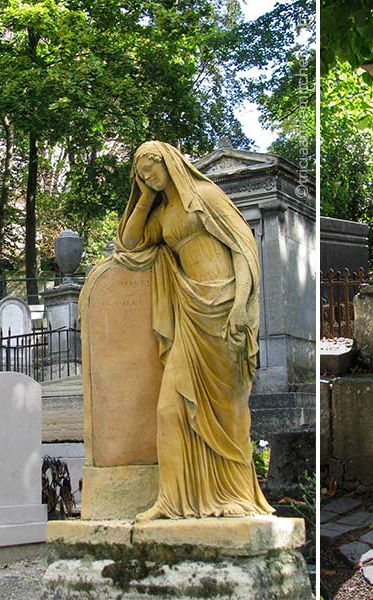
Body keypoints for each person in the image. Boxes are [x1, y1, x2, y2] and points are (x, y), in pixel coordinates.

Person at [114, 140, 273, 520]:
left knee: (229, 409)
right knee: (171, 410)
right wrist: (143, 198)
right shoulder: (164, 212)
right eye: (141, 171)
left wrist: (239, 306)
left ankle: (236, 496)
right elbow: (131, 241)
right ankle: (172, 500)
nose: (147, 174)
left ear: (170, 162)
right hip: (190, 313)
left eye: (152, 166)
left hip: (223, 308)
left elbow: (243, 249)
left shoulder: (205, 196)